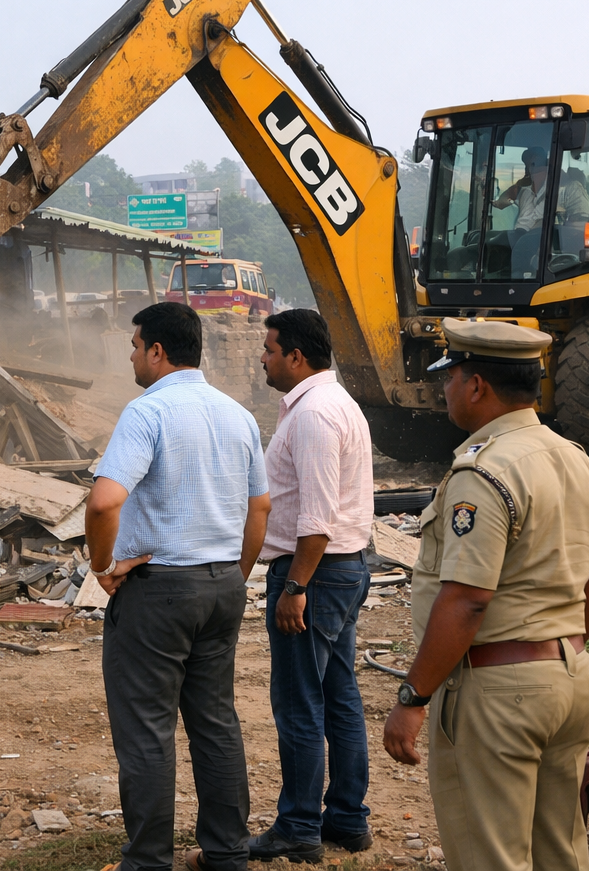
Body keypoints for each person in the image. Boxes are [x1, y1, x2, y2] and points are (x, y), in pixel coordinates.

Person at [382, 319, 589, 871]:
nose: (446, 390)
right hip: (570, 675)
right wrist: (560, 649)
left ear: (477, 385)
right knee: (561, 851)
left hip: (497, 690)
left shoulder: (483, 472)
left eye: (451, 377)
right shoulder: (573, 457)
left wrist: (412, 699)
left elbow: (467, 600)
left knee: (492, 858)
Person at [85, 302, 271, 871]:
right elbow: (259, 505)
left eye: (136, 344)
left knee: (146, 731)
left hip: (159, 591)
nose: (132, 354)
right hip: (221, 587)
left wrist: (101, 566)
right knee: (215, 723)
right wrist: (234, 573)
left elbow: (104, 500)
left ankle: (147, 862)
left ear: (158, 351)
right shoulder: (238, 415)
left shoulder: (148, 412)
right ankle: (227, 854)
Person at [251, 309, 375, 864]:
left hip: (316, 574)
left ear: (296, 357)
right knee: (339, 696)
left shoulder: (315, 414)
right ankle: (346, 819)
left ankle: (299, 828)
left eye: (270, 348)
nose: (263, 357)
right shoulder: (333, 403)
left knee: (300, 703)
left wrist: (295, 585)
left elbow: (317, 517)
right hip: (340, 570)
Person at [492, 147, 551, 233]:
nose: (526, 169)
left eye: (530, 165)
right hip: (523, 234)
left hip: (539, 236)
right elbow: (501, 203)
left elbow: (500, 203)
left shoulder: (559, 187)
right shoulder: (522, 188)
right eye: (526, 166)